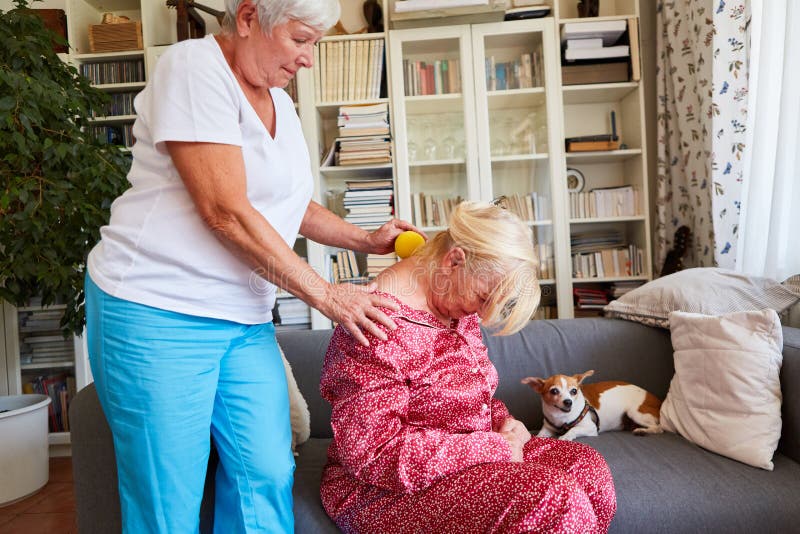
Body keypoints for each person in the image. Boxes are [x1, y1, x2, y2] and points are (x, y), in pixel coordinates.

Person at [83, 1, 422, 532]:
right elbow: (225, 210)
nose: (308, 60)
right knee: (166, 498)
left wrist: (364, 239)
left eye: (315, 44)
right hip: (156, 309)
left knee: (264, 470)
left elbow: (288, 202)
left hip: (243, 319)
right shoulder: (194, 67)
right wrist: (328, 296)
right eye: (300, 40)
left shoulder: (280, 104)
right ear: (247, 18)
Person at [320, 201, 617, 533]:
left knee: (587, 468)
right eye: (483, 297)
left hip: (472, 456)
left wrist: (505, 422)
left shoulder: (455, 303)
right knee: (552, 497)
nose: (485, 316)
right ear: (455, 260)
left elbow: (473, 397)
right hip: (384, 491)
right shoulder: (377, 324)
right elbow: (373, 452)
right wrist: (494, 447)